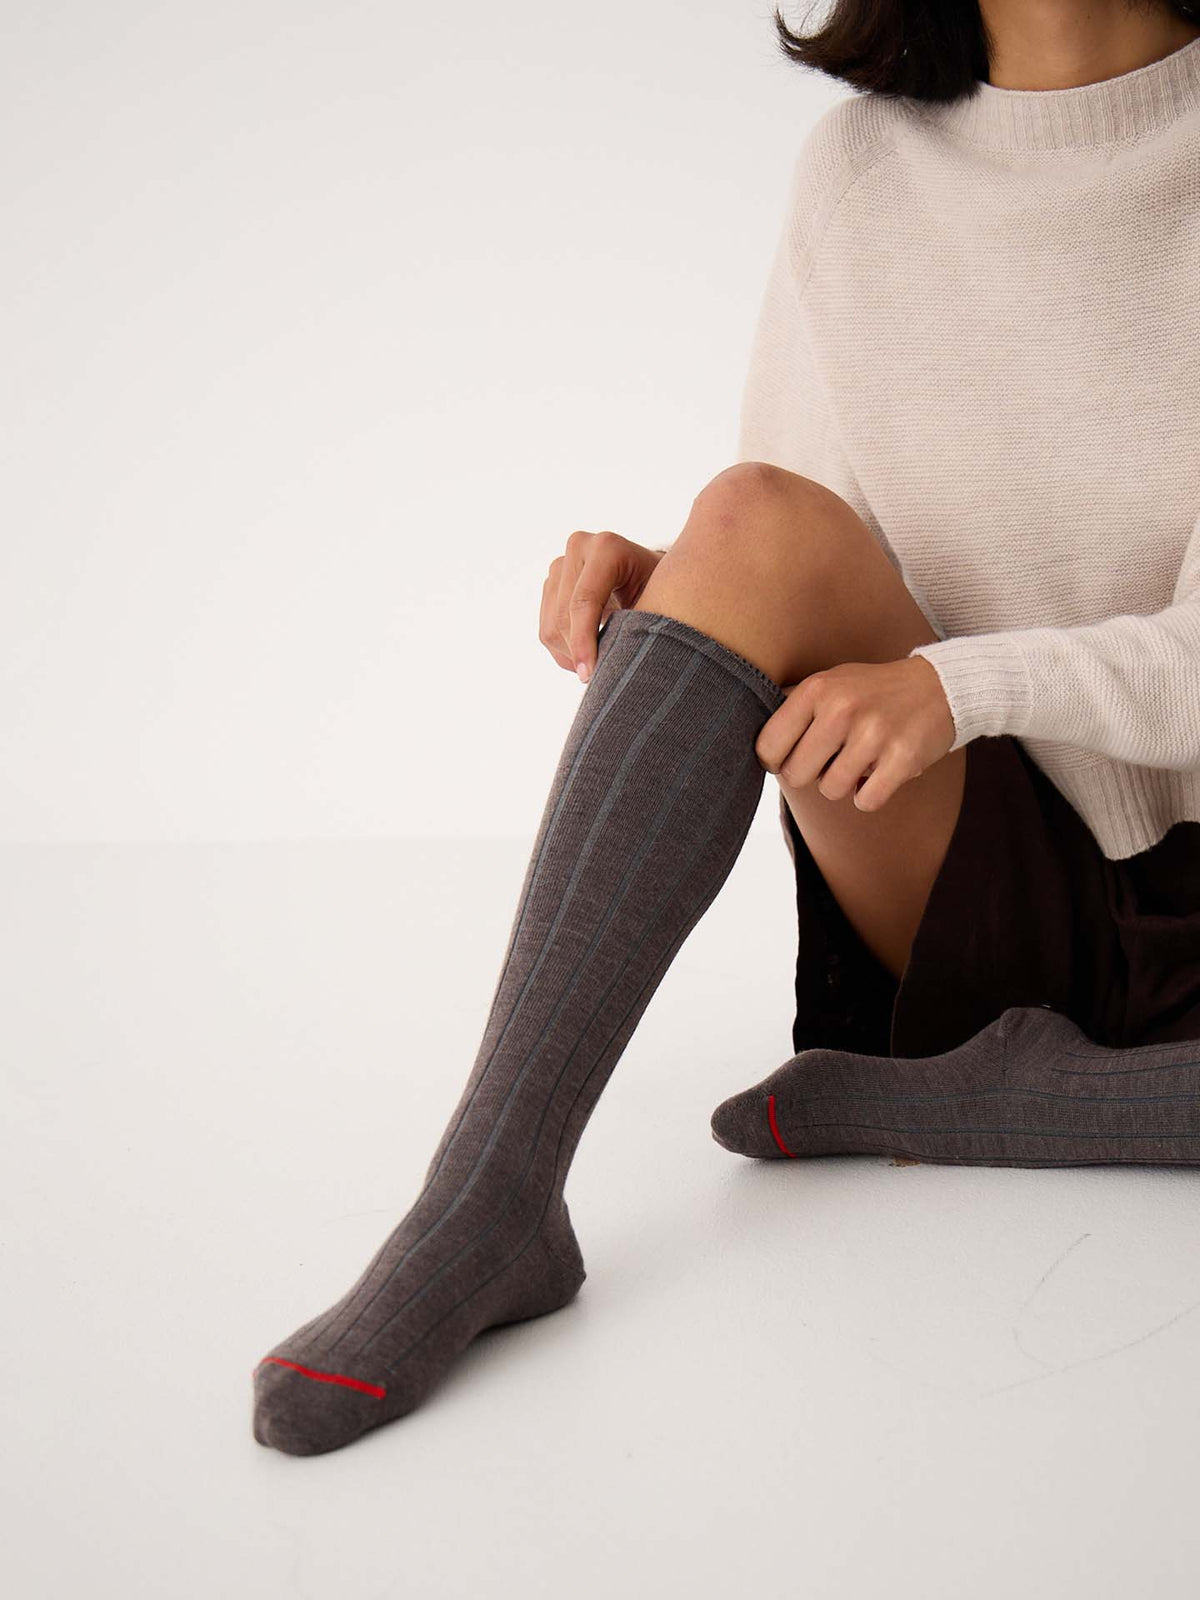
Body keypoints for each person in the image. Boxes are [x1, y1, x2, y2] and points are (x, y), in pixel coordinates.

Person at [252, 0, 1200, 1455]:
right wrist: (685, 601)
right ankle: (490, 1198)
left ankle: (998, 1101)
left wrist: (965, 687)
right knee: (749, 519)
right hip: (980, 876)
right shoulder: (860, 175)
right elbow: (810, 528)